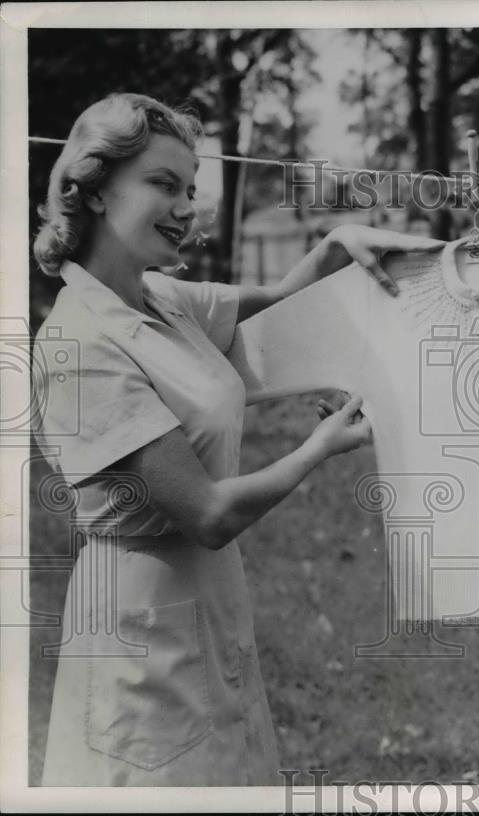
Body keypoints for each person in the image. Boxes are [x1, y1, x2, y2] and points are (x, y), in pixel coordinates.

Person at [31, 92, 443, 785]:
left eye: (190, 188)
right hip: (139, 617)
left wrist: (338, 241)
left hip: (208, 596)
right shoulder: (80, 342)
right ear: (96, 190)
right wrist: (322, 446)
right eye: (162, 184)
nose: (186, 206)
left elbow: (280, 302)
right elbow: (210, 512)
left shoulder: (159, 296)